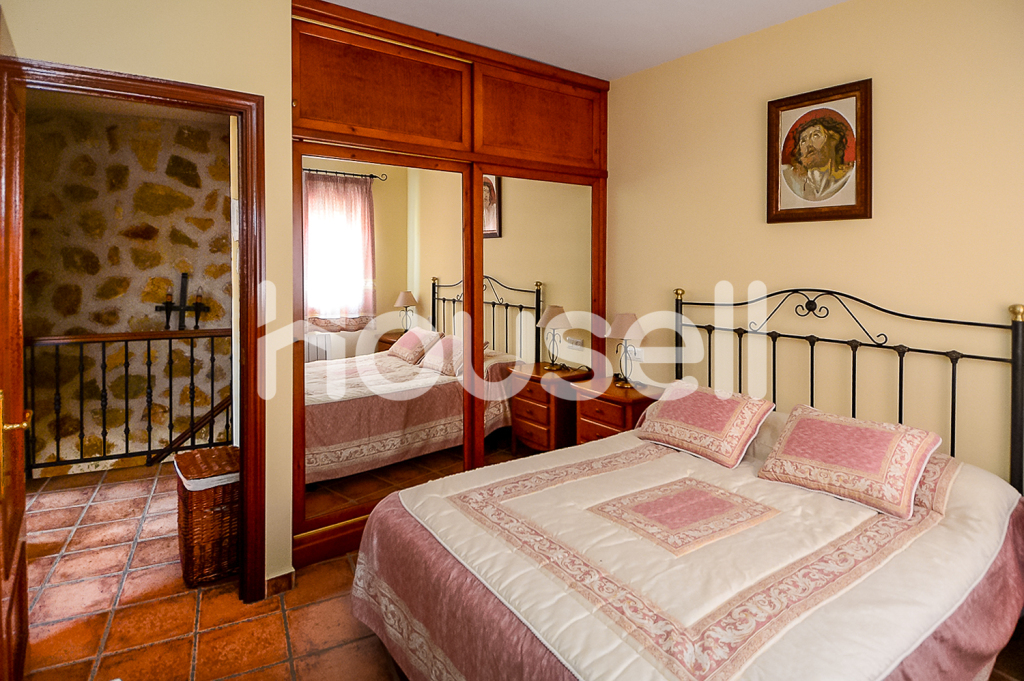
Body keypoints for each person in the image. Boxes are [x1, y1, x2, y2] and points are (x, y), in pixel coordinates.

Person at [782, 115, 855, 202]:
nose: (808, 144)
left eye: (816, 135)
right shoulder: (791, 178)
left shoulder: (849, 178)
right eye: (803, 141)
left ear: (833, 140)